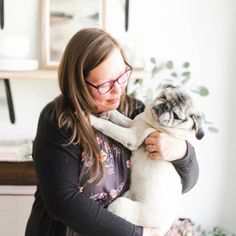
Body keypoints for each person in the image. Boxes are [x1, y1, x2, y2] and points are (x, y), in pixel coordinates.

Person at [25, 28, 199, 236]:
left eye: (122, 76)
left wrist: (182, 152)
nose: (118, 90)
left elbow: (186, 183)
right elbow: (63, 202)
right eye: (105, 84)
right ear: (79, 83)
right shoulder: (58, 120)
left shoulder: (136, 111)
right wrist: (139, 234)